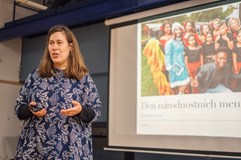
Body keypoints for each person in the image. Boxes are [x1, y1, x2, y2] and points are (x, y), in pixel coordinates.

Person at [14, 25, 102, 159]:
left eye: (59, 43)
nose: (54, 47)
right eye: (51, 43)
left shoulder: (82, 78)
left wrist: (81, 111)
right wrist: (29, 109)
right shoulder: (35, 76)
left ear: (70, 47)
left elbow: (95, 111)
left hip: (70, 152)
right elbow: (18, 109)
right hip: (34, 152)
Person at [165, 22, 190, 95]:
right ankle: (180, 95)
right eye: (176, 30)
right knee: (180, 82)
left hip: (182, 64)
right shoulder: (170, 42)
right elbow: (168, 55)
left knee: (185, 81)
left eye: (179, 29)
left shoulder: (180, 41)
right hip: (175, 65)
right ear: (173, 31)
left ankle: (180, 93)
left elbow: (181, 51)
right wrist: (169, 66)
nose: (178, 31)